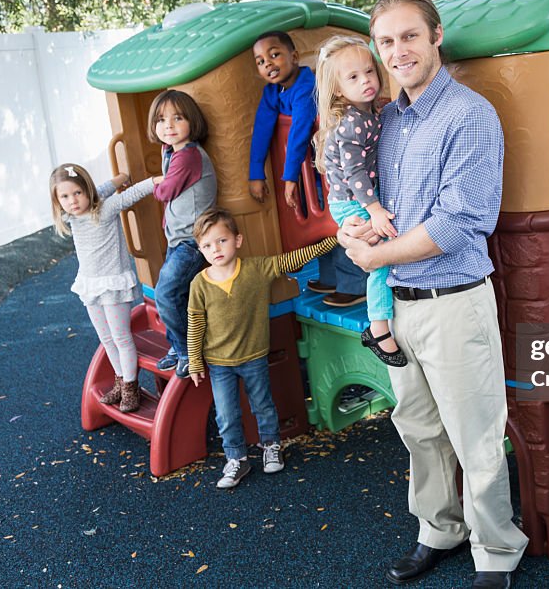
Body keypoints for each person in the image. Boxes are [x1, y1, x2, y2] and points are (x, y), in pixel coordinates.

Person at [337, 0, 527, 589]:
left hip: (453, 303)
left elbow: (458, 221)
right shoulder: (381, 122)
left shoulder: (469, 115)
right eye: (386, 41)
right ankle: (439, 531)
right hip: (398, 302)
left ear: (436, 36)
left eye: (409, 36)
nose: (398, 51)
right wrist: (350, 235)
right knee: (418, 429)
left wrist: (373, 255)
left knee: (475, 436)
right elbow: (360, 200)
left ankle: (497, 550)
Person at [185, 208, 337, 488]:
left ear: (238, 240)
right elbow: (195, 325)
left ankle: (271, 446)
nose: (215, 249)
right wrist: (194, 361)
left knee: (263, 405)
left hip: (253, 358)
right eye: (207, 245)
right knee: (226, 414)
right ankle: (236, 459)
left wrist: (332, 240)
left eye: (222, 240)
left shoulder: (256, 269)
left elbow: (293, 260)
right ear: (200, 250)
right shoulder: (199, 284)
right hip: (218, 363)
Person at [247, 30, 367, 308]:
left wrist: (289, 178)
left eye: (274, 54)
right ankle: (331, 276)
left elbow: (300, 129)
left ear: (294, 56)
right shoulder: (272, 92)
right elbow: (262, 131)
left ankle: (354, 283)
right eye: (260, 61)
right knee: (318, 225)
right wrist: (256, 173)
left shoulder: (306, 86)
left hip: (331, 171)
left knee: (336, 221)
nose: (268, 64)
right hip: (308, 174)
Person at [312, 35, 406, 367]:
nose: (366, 81)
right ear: (338, 89)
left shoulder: (368, 112)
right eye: (353, 77)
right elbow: (354, 173)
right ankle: (378, 329)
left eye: (369, 71)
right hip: (355, 200)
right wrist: (375, 209)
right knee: (379, 259)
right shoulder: (351, 122)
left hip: (359, 197)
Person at [49, 163, 161, 412]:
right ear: (58, 201)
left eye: (77, 193)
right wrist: (118, 178)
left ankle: (131, 386)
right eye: (65, 197)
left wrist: (154, 181)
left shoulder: (105, 210)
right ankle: (121, 381)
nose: (73, 201)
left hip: (113, 284)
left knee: (121, 337)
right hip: (90, 285)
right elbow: (99, 188)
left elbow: (130, 195)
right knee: (106, 338)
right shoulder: (70, 217)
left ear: (87, 191)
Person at [147, 90, 217, 378]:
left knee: (165, 293)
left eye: (178, 118)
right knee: (181, 296)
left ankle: (187, 351)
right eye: (161, 120)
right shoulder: (172, 152)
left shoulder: (188, 156)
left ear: (192, 121)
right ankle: (180, 346)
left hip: (191, 241)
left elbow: (165, 191)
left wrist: (153, 183)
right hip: (178, 239)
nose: (169, 125)